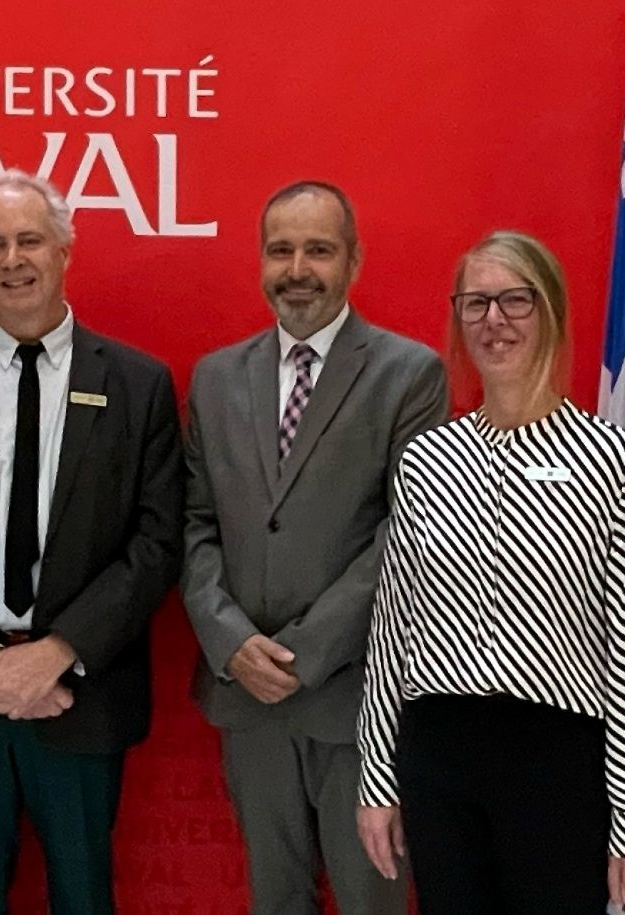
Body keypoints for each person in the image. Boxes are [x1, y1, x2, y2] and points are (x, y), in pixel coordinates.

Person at [355, 230, 625, 914]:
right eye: (476, 303)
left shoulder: (614, 460)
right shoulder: (428, 460)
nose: (494, 320)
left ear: (552, 313)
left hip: (556, 761)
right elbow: (393, 634)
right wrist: (377, 779)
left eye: (515, 300)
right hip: (437, 755)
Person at [0, 169, 183, 914]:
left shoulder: (140, 383)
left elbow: (155, 542)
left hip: (82, 693)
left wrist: (55, 652)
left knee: (84, 897)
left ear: (64, 250)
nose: (12, 259)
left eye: (29, 240)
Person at [182, 181, 446, 915]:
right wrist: (231, 641)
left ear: (353, 261)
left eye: (319, 249)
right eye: (281, 249)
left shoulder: (409, 373)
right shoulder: (215, 378)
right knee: (276, 899)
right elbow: (195, 524)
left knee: (372, 901)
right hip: (248, 696)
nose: (298, 267)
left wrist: (301, 654)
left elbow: (411, 531)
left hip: (357, 697)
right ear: (261, 261)